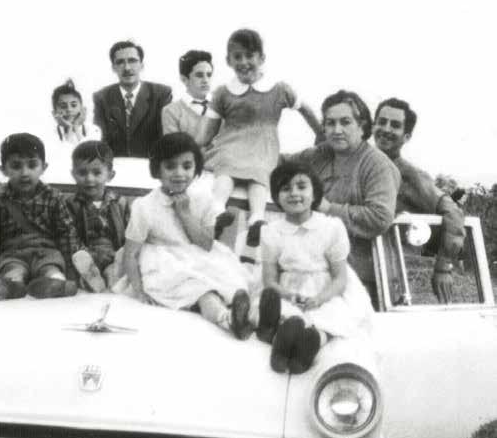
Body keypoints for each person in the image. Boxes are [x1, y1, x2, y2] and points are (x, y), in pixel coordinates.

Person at [197, 29, 321, 260]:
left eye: (249, 56)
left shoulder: (278, 89)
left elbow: (306, 110)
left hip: (263, 146)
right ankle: (217, 211)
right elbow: (208, 131)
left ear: (261, 58)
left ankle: (256, 219)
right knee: (225, 169)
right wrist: (196, 148)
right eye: (237, 57)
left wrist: (320, 134)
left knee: (260, 172)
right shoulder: (223, 92)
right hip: (231, 144)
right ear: (228, 61)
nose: (244, 62)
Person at [123, 132, 256, 339]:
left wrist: (185, 213)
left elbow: (206, 244)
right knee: (202, 291)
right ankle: (227, 320)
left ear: (196, 169)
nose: (179, 173)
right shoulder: (145, 206)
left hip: (198, 256)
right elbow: (131, 254)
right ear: (157, 170)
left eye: (187, 166)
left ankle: (256, 320)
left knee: (234, 285)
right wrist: (139, 291)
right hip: (164, 265)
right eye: (170, 166)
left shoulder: (204, 199)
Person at [286, 90, 401, 307]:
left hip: (361, 281)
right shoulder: (320, 155)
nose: (336, 130)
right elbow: (280, 164)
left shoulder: (377, 165)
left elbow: (380, 217)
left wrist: (327, 208)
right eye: (330, 123)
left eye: (345, 122)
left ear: (362, 126)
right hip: (312, 272)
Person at [258, 162, 374, 373]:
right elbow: (269, 279)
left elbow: (340, 278)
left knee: (334, 316)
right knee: (285, 313)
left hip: (326, 289)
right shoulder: (272, 231)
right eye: (285, 189)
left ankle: (312, 342)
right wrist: (289, 295)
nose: (294, 193)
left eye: (301, 187)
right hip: (288, 287)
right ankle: (280, 343)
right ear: (276, 196)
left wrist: (320, 298)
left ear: (314, 194)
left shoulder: (331, 227)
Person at [373, 97, 465, 303]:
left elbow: (453, 213)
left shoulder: (410, 176)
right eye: (382, 122)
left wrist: (443, 267)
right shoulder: (356, 164)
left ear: (406, 136)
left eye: (395, 125)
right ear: (373, 126)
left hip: (386, 274)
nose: (386, 129)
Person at [0, 133, 79, 299]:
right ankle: (12, 285)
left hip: (46, 252)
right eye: (16, 166)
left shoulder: (54, 197)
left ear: (43, 167)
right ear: (3, 170)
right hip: (12, 253)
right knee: (13, 270)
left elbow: (66, 234)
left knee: (51, 268)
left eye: (32, 165)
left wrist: (70, 269)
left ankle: (57, 283)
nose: (25, 173)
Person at [66, 140, 130, 292]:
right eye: (82, 173)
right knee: (80, 263)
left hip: (113, 254)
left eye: (96, 173)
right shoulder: (71, 204)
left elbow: (129, 231)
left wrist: (125, 250)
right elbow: (70, 234)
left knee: (116, 264)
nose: (89, 179)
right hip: (86, 255)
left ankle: (112, 277)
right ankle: (92, 279)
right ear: (73, 174)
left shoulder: (120, 203)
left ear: (110, 175)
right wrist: (79, 251)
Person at [93, 40, 172, 157]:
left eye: (132, 61)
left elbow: (166, 138)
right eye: (120, 62)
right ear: (113, 68)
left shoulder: (161, 94)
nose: (127, 68)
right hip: (116, 162)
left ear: (141, 65)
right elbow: (101, 139)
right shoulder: (102, 97)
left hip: (150, 162)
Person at [162, 50, 214, 137]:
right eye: (199, 75)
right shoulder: (171, 111)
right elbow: (174, 144)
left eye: (209, 75)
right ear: (184, 79)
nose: (206, 80)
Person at [50, 78, 101, 146]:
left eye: (73, 105)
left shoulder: (93, 130)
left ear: (83, 109)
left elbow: (89, 151)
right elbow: (62, 152)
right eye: (63, 106)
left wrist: (76, 128)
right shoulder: (50, 133)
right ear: (54, 113)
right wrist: (69, 128)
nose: (69, 109)